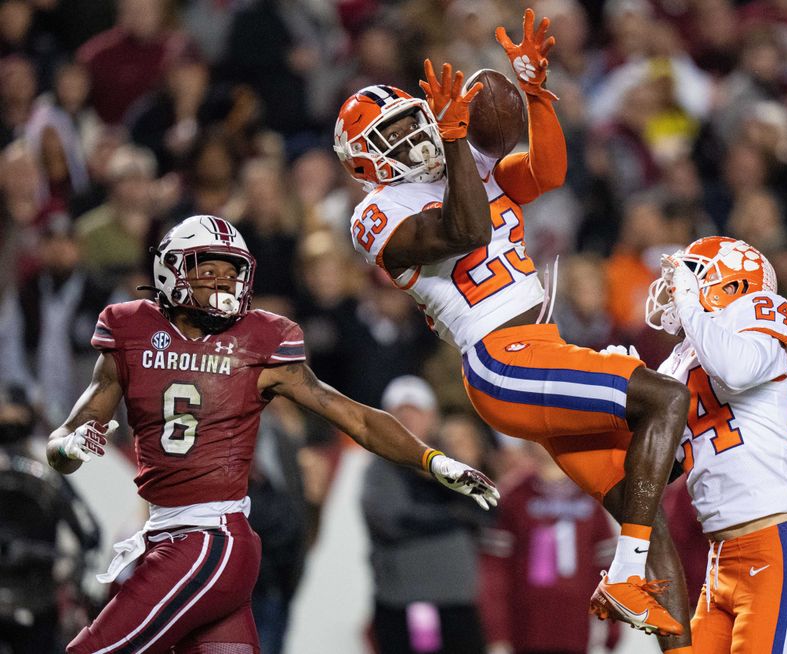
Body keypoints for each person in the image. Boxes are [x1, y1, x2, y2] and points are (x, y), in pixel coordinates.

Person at [334, 8, 691, 642]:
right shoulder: (376, 213)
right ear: (365, 163)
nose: (411, 137)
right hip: (502, 361)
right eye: (392, 134)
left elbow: (547, 172)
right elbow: (466, 230)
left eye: (412, 121)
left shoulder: (464, 158)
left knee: (646, 512)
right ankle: (625, 575)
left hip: (540, 352)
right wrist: (453, 140)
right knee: (665, 399)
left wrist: (534, 93)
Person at [46, 214, 499, 653]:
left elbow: (355, 417)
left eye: (233, 273)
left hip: (210, 538)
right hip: (168, 533)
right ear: (171, 270)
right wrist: (71, 445)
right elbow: (61, 443)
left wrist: (432, 460)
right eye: (209, 270)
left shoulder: (259, 340)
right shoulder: (131, 331)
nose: (224, 283)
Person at [645, 236, 787, 653]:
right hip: (719, 562)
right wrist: (620, 388)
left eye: (693, 276)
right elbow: (655, 461)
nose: (678, 287)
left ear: (732, 285)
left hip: (774, 549)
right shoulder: (680, 358)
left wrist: (691, 304)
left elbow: (736, 368)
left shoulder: (766, 310)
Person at [362, 377, 492, 654]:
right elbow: (394, 521)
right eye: (400, 413)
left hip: (457, 600)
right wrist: (454, 516)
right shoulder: (380, 469)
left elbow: (485, 510)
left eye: (416, 412)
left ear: (432, 417)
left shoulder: (452, 464)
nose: (408, 420)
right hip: (405, 600)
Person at [480, 441, 621, 654]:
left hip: (578, 627)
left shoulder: (590, 494)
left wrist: (611, 623)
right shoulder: (513, 495)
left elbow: (608, 566)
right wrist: (497, 632)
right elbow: (495, 570)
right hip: (527, 626)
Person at [0, 384, 100, 654]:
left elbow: (90, 535)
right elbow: (90, 534)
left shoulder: (47, 476)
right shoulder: (46, 475)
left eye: (12, 413)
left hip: (38, 604)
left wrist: (72, 580)